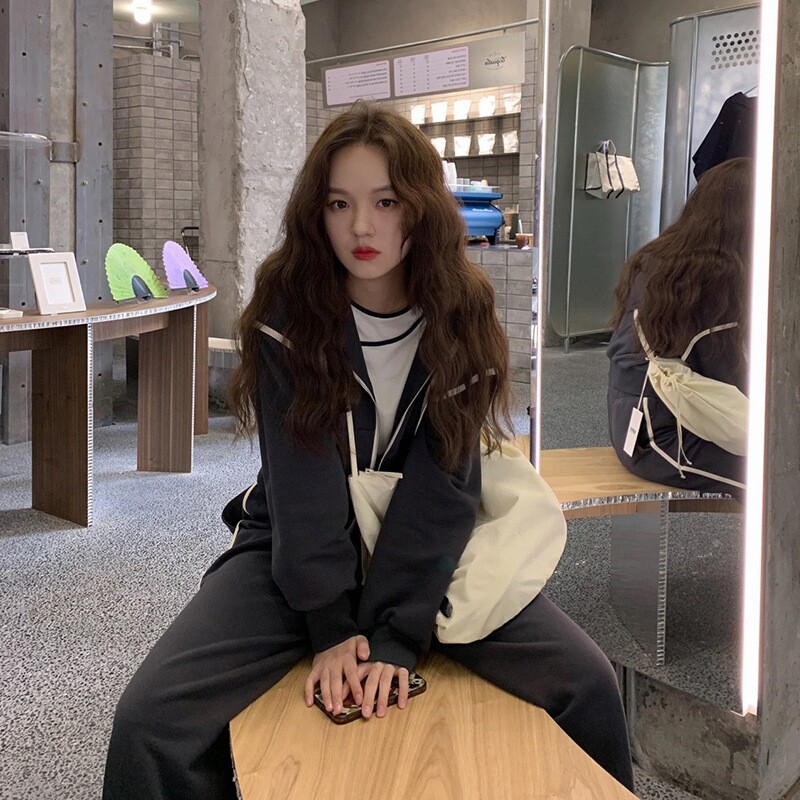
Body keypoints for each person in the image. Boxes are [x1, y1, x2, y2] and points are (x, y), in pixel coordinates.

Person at [104, 102, 633, 799]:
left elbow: (445, 485)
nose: (361, 227)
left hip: (427, 547)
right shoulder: (288, 313)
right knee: (149, 722)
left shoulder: (461, 314)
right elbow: (300, 485)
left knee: (588, 686)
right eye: (339, 204)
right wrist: (329, 626)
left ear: (420, 207)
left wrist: (395, 635)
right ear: (315, 213)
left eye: (386, 202)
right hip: (295, 547)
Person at [607, 157, 753, 497]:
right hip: (668, 437)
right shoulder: (718, 281)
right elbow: (732, 380)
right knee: (781, 472)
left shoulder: (658, 259)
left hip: (633, 421)